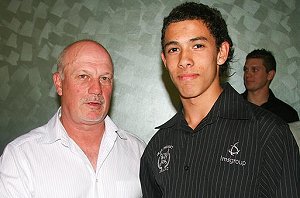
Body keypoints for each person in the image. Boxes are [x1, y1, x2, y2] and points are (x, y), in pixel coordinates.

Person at [139, 2, 300, 198]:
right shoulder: (157, 147)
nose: (184, 60)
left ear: (221, 53)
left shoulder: (268, 133)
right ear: (165, 60)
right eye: (174, 49)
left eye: (197, 46)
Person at [0, 39, 146, 197]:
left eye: (105, 78)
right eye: (84, 76)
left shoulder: (138, 151)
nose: (97, 89)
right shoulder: (21, 157)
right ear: (58, 83)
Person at [242, 48, 299, 123]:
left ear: (270, 75)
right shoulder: (231, 106)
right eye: (246, 70)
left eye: (255, 70)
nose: (248, 75)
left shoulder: (287, 114)